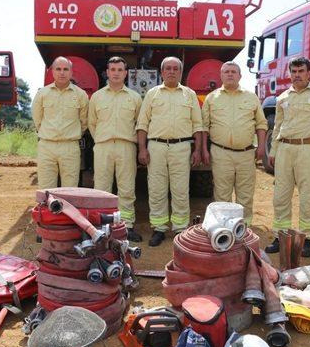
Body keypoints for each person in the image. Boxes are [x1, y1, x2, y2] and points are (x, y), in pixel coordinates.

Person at [264, 56, 310, 257]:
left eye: (301, 71)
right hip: (285, 149)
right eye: (293, 72)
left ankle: (306, 240)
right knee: (280, 196)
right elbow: (278, 126)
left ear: (308, 73)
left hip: (308, 149)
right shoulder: (282, 98)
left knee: (307, 197)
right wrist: (274, 151)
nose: (297, 75)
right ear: (289, 73)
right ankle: (281, 236)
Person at [136, 57, 204, 247]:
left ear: (181, 72)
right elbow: (142, 124)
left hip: (181, 147)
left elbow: (198, 125)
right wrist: (142, 148)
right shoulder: (152, 94)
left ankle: (180, 229)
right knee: (157, 189)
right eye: (168, 68)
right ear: (162, 71)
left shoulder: (189, 94)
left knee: (180, 189)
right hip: (156, 146)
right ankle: (159, 228)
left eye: (176, 68)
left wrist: (197, 150)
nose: (172, 71)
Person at [201, 61, 267, 225]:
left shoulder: (251, 97)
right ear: (221, 75)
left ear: (240, 76)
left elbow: (261, 124)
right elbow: (203, 127)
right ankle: (223, 228)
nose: (230, 74)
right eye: (226, 72)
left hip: (246, 154)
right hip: (220, 152)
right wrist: (203, 149)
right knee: (222, 194)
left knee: (245, 194)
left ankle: (243, 228)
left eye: (233, 72)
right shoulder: (212, 98)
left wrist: (261, 146)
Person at [88, 56, 143, 242]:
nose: (116, 73)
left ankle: (126, 225)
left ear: (126, 73)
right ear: (107, 72)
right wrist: (102, 140)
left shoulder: (135, 98)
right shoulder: (97, 97)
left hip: (126, 145)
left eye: (120, 70)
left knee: (126, 188)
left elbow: (139, 123)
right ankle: (101, 226)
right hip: (103, 146)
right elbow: (91, 123)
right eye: (113, 69)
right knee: (102, 188)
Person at [32, 56, 89, 188]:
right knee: (46, 188)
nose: (62, 72)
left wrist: (72, 134)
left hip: (70, 146)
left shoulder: (81, 95)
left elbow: (84, 121)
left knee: (70, 189)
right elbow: (37, 119)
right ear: (52, 71)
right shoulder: (42, 94)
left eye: (65, 69)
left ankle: (67, 209)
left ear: (71, 72)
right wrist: (48, 134)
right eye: (58, 69)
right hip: (47, 146)